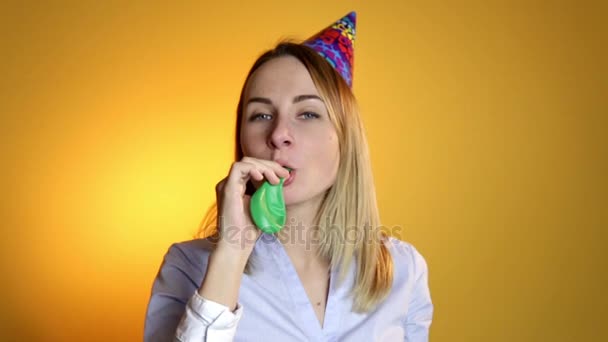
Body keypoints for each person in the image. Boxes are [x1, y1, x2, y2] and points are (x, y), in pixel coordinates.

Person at [144, 11, 433, 341]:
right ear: (242, 139)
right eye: (261, 115)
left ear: (346, 138)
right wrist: (231, 254)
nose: (278, 134)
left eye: (307, 113)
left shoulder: (404, 270)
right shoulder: (188, 265)